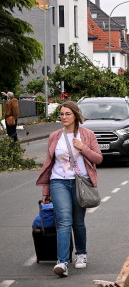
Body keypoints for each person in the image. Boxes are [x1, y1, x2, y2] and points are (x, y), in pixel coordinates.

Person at [35, 101, 103, 277]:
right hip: (58, 181)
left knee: (78, 221)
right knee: (64, 220)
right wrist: (46, 192)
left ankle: (81, 253)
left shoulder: (87, 135)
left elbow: (98, 158)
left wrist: (83, 147)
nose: (63, 117)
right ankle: (62, 262)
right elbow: (49, 165)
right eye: (61, 114)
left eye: (67, 114)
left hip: (80, 182)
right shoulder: (55, 136)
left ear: (76, 115)